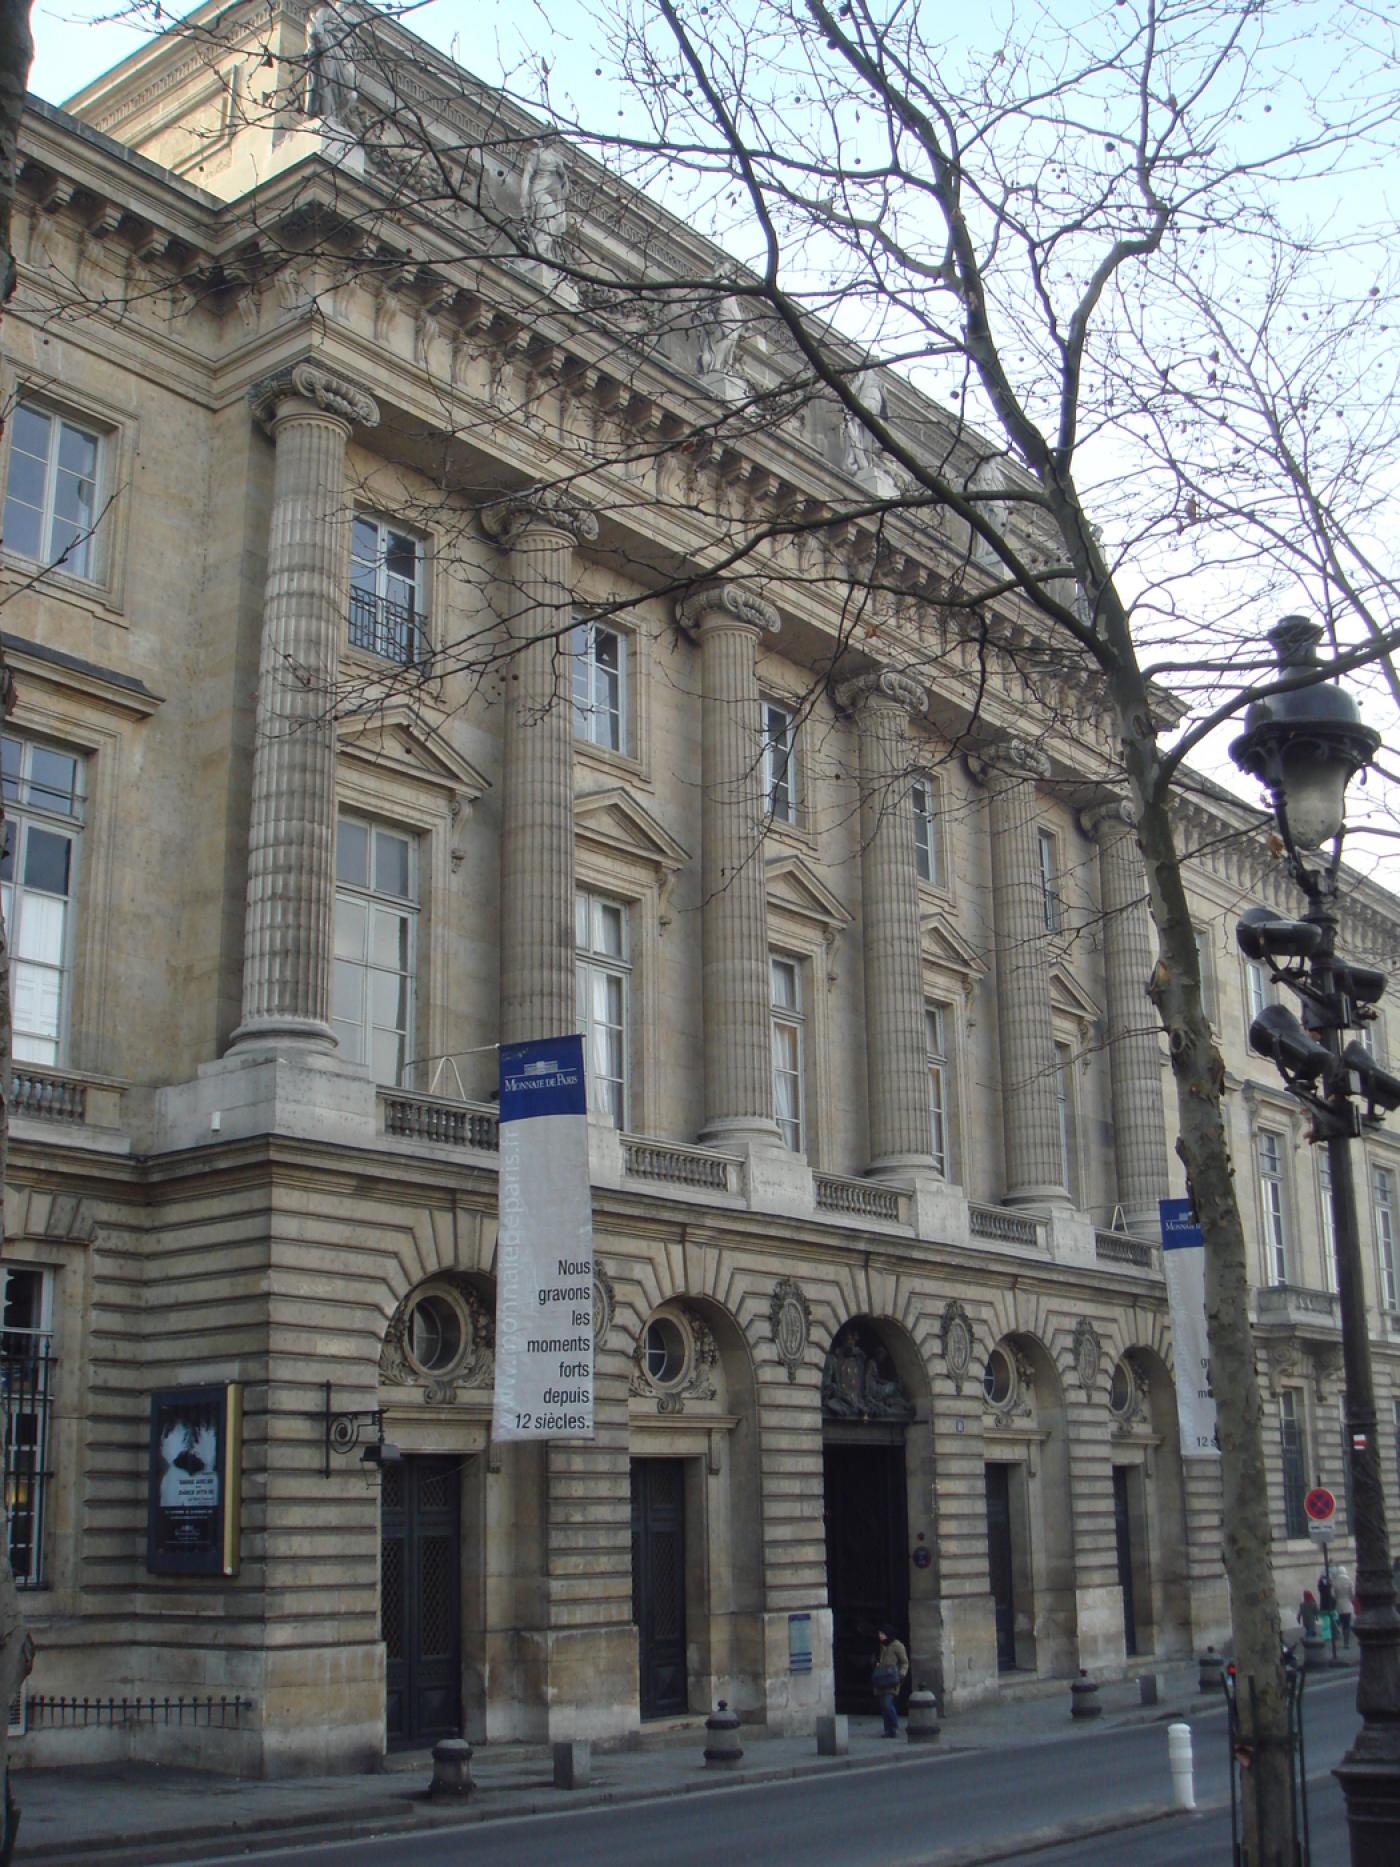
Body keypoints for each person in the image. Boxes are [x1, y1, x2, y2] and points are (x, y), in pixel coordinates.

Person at [872, 1625, 909, 1738]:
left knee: (887, 1703)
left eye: (882, 1634)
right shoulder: (881, 1646)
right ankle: (888, 1729)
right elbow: (875, 1658)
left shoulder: (897, 1646)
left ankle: (894, 1727)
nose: (880, 1636)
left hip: (892, 1679)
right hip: (881, 1678)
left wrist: (901, 1674)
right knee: (884, 1705)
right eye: (879, 1634)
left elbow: (904, 1662)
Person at [1331, 1565, 1355, 1649]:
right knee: (1347, 1624)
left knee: (1342, 1623)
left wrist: (1338, 1598)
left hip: (1339, 1605)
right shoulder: (1349, 1581)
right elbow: (1352, 1594)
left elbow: (1332, 1595)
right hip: (1347, 1604)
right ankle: (1346, 1642)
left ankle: (1344, 1640)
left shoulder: (1335, 1582)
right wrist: (1350, 1599)